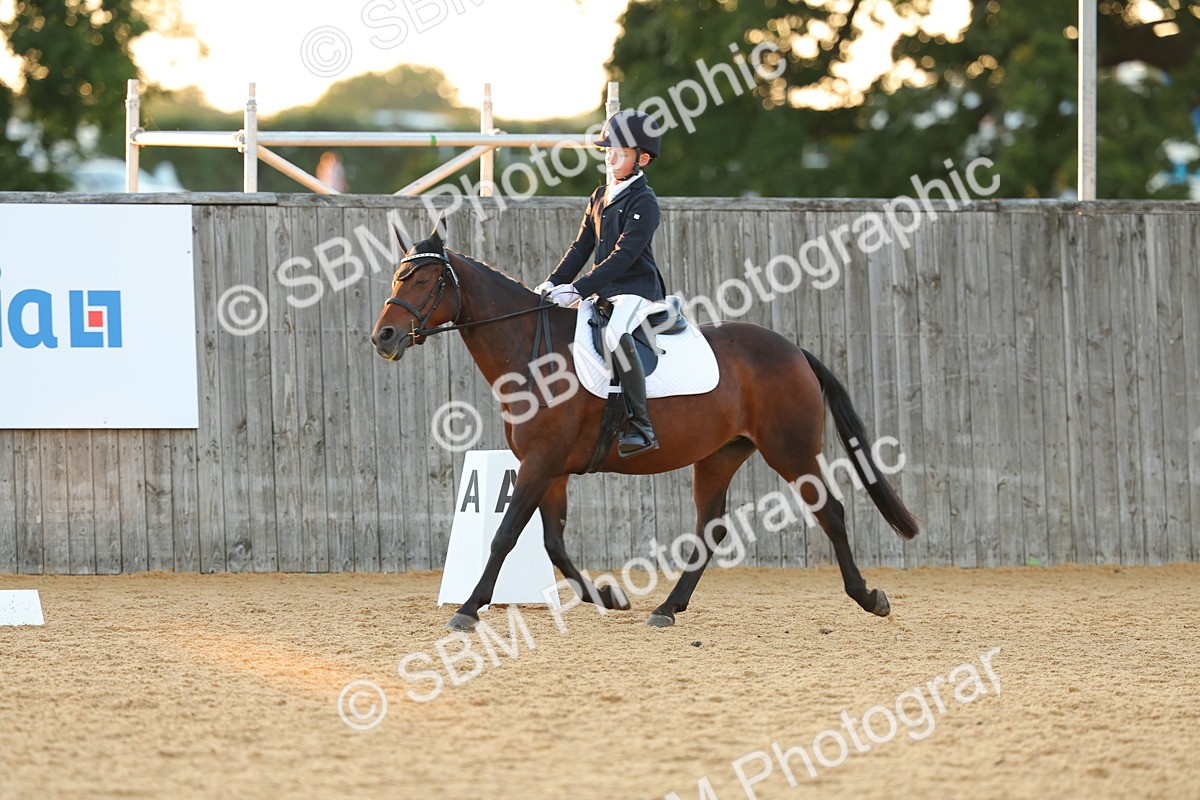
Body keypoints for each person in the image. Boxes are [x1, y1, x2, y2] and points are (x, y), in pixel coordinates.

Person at [534, 109, 667, 458]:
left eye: (620, 153)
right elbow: (581, 247)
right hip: (605, 291)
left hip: (638, 290)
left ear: (643, 158)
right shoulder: (599, 195)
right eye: (608, 151)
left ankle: (642, 425)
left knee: (613, 334)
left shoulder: (644, 201)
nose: (611, 158)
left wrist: (579, 289)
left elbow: (624, 256)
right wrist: (552, 282)